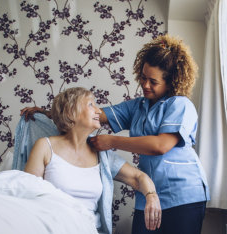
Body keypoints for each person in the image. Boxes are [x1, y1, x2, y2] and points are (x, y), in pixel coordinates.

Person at [21, 34, 210, 234]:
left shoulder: (180, 105)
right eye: (143, 78)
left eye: (153, 82)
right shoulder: (137, 107)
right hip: (147, 196)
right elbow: (92, 114)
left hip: (183, 194)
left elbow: (160, 146)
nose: (145, 85)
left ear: (170, 82)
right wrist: (51, 113)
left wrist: (111, 141)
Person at [24, 87, 161, 234]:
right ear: (71, 112)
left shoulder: (102, 155)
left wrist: (151, 196)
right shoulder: (45, 146)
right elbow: (28, 195)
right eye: (91, 105)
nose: (98, 111)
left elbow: (138, 177)